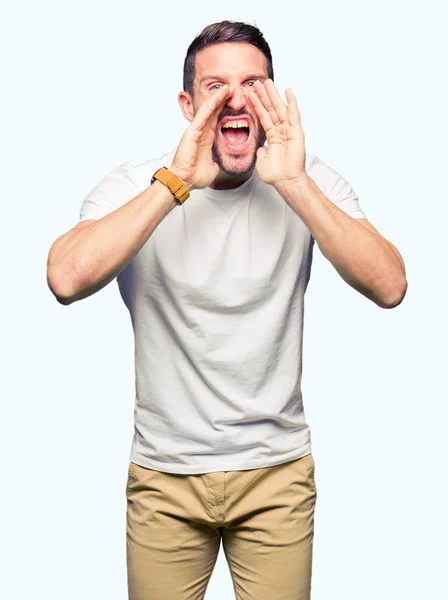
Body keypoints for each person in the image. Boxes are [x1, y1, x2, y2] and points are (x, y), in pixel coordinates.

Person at [46, 19, 407, 600]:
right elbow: (65, 278)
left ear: (271, 98)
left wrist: (292, 183)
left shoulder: (305, 178)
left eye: (253, 84)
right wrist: (177, 183)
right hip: (165, 477)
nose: (235, 100)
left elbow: (390, 285)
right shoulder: (141, 183)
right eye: (216, 87)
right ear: (187, 104)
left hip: (277, 473)